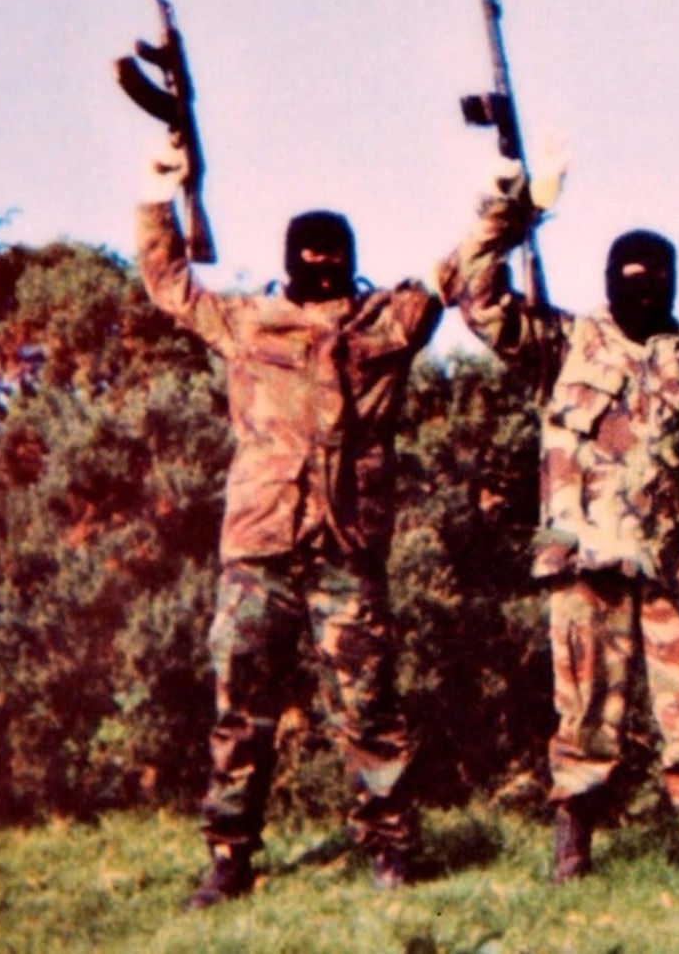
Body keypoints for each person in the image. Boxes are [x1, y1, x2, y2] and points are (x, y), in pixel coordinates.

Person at [443, 164, 679, 884]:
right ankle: (573, 847)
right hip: (583, 563)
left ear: (674, 281)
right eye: (628, 275)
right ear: (607, 279)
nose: (642, 286)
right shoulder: (562, 345)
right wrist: (510, 212)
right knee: (585, 715)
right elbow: (469, 291)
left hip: (675, 571)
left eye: (656, 275)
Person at [136, 142, 443, 907]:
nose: (322, 265)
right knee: (241, 712)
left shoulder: (387, 323)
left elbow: (455, 273)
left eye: (334, 255)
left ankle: (391, 852)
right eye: (308, 255)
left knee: (370, 708)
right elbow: (170, 282)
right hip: (260, 549)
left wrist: (509, 200)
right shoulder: (248, 322)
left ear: (352, 259)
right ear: (287, 259)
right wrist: (157, 196)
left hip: (346, 550)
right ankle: (230, 858)